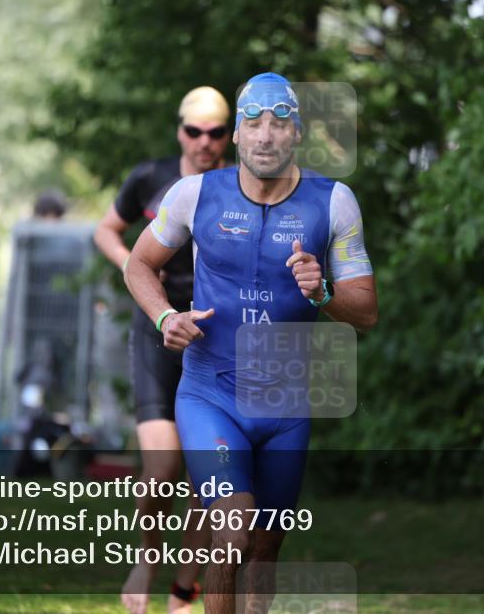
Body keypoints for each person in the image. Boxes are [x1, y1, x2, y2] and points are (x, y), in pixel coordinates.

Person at [124, 72, 377, 614]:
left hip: (286, 407)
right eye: (253, 123)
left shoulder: (334, 202)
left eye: (279, 124)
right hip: (210, 394)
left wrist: (324, 293)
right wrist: (165, 315)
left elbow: (366, 312)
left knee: (264, 552)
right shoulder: (195, 195)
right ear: (237, 134)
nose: (265, 136)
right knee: (233, 530)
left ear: (297, 133)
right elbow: (138, 263)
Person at [94, 86, 230, 614]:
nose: (204, 142)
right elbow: (107, 231)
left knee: (207, 476)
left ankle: (183, 588)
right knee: (163, 468)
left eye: (215, 133)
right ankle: (147, 558)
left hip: (214, 338)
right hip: (157, 329)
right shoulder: (150, 177)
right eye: (194, 131)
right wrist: (135, 265)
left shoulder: (241, 188)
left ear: (229, 137)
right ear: (180, 132)